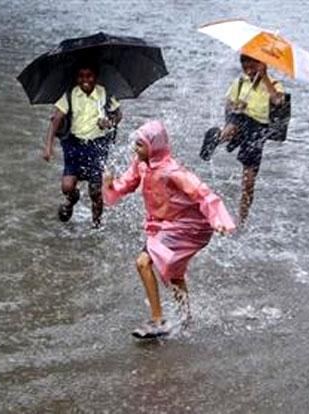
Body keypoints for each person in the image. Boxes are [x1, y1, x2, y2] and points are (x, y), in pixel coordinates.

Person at [103, 120, 236, 338]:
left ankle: (158, 320)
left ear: (154, 146)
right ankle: (186, 318)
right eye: (136, 144)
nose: (135, 149)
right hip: (163, 225)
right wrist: (109, 184)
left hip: (187, 226)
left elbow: (202, 193)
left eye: (140, 144)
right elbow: (126, 184)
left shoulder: (172, 171)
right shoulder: (141, 164)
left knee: (142, 263)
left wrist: (218, 219)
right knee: (175, 274)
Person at [202, 54, 285, 226]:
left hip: (258, 130)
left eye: (251, 64)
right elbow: (228, 105)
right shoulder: (240, 83)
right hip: (239, 120)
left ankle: (241, 220)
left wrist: (264, 78)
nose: (247, 68)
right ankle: (217, 137)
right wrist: (236, 105)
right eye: (244, 64)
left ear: (261, 64)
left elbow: (278, 101)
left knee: (248, 183)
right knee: (234, 123)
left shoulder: (274, 85)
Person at [43, 62, 122, 227]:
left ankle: (96, 225)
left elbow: (118, 114)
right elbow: (55, 120)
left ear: (96, 77)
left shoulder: (104, 94)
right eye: (81, 76)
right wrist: (48, 147)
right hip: (74, 144)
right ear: (76, 78)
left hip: (97, 145)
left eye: (89, 76)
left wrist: (109, 122)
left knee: (95, 190)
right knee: (67, 186)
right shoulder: (70, 95)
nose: (85, 80)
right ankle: (73, 198)